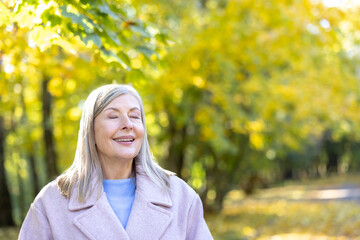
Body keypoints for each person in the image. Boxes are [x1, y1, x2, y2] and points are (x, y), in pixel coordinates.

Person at [19, 84, 213, 240]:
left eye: (135, 116)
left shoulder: (180, 196)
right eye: (113, 116)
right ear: (90, 130)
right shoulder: (52, 202)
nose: (127, 124)